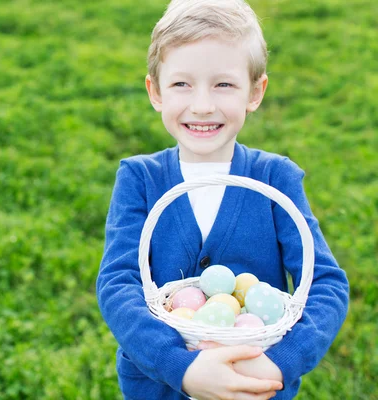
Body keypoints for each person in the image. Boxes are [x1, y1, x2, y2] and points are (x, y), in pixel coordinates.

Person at [96, 0, 350, 399]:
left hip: (256, 384)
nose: (202, 105)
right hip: (160, 386)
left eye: (224, 84)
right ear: (155, 91)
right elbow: (118, 283)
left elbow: (326, 284)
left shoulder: (275, 178)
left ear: (255, 91)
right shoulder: (140, 179)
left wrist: (276, 362)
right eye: (182, 83)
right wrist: (181, 368)